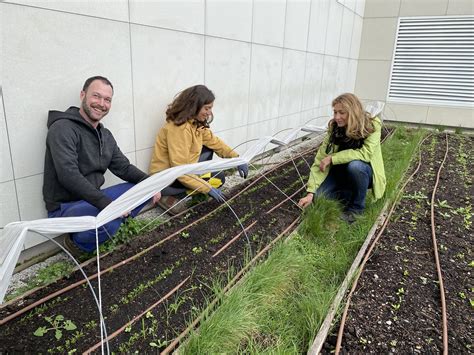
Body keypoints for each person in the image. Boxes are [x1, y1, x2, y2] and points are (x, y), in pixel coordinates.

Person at [43, 76, 161, 255]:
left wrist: (150, 183)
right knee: (111, 218)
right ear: (83, 95)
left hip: (92, 199)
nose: (101, 103)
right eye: (96, 96)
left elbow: (123, 167)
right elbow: (68, 175)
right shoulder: (62, 128)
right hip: (65, 207)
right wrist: (108, 205)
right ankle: (78, 243)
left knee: (141, 190)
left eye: (107, 99)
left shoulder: (105, 135)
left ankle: (104, 226)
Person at [149, 85, 248, 215]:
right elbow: (180, 169)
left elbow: (215, 142)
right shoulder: (179, 129)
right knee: (209, 184)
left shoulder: (196, 124)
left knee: (219, 178)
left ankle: (188, 192)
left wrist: (236, 158)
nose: (209, 113)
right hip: (168, 180)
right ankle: (167, 197)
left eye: (210, 108)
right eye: (206, 108)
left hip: (184, 172)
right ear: (194, 106)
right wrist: (207, 189)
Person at [298, 93, 386, 223]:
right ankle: (348, 193)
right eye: (335, 112)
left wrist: (333, 158)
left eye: (342, 113)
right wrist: (311, 192)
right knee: (319, 198)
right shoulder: (335, 129)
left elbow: (365, 153)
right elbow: (321, 158)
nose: (337, 117)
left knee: (355, 166)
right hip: (339, 172)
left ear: (353, 112)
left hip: (362, 172)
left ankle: (356, 210)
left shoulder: (370, 125)